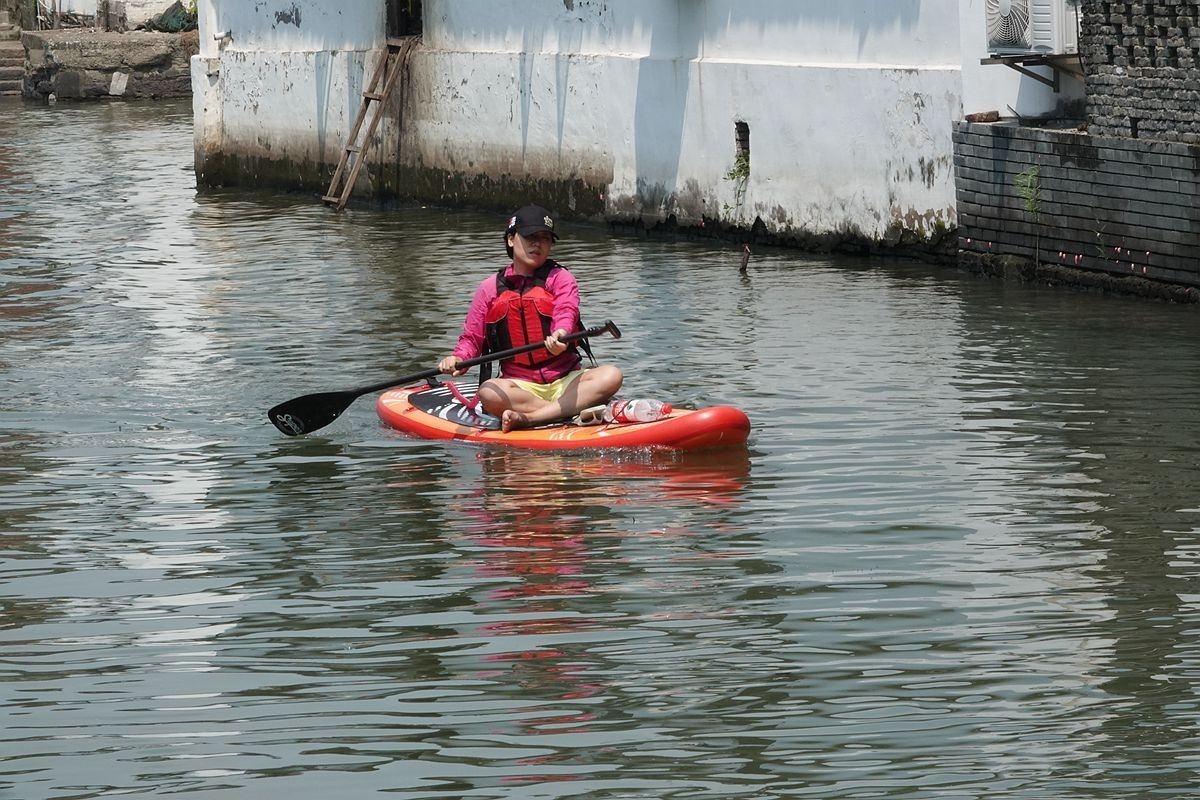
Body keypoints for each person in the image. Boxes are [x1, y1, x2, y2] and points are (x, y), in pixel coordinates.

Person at [438, 205, 623, 432]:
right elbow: (472, 339)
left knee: (611, 375)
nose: (538, 244)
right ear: (510, 240)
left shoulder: (560, 278)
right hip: (520, 386)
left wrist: (560, 335)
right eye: (530, 237)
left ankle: (532, 419)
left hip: (566, 379)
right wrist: (458, 358)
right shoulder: (489, 289)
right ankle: (564, 411)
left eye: (545, 239)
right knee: (488, 392)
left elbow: (566, 310)